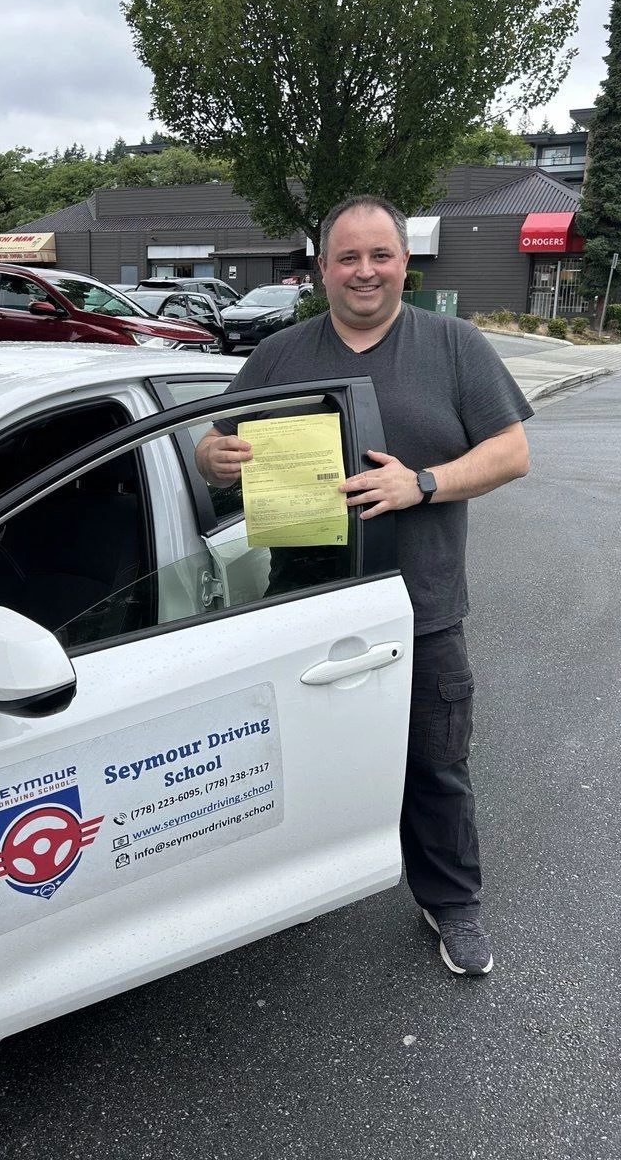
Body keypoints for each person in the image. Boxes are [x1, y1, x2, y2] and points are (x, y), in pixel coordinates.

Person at [195, 195, 532, 976]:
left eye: (381, 255)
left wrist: (423, 483)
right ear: (322, 269)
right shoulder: (279, 355)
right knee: (301, 759)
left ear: (405, 263)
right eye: (348, 257)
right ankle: (300, 889)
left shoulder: (453, 345)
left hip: (420, 608)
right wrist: (213, 459)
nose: (365, 271)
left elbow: (512, 452)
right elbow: (212, 447)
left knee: (436, 765)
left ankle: (452, 903)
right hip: (299, 607)